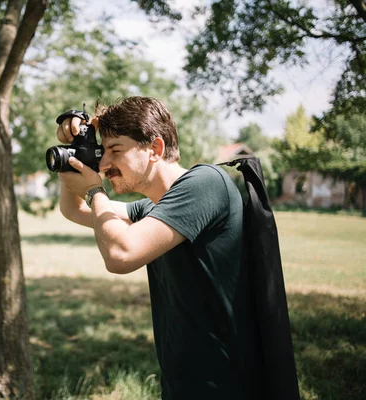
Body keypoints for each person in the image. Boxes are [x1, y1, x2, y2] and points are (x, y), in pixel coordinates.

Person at [56, 96, 257, 399]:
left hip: (225, 385)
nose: (105, 163)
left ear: (155, 149)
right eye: (102, 152)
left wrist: (94, 189)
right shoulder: (153, 208)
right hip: (181, 383)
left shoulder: (205, 184)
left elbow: (121, 255)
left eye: (115, 150)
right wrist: (75, 158)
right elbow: (75, 211)